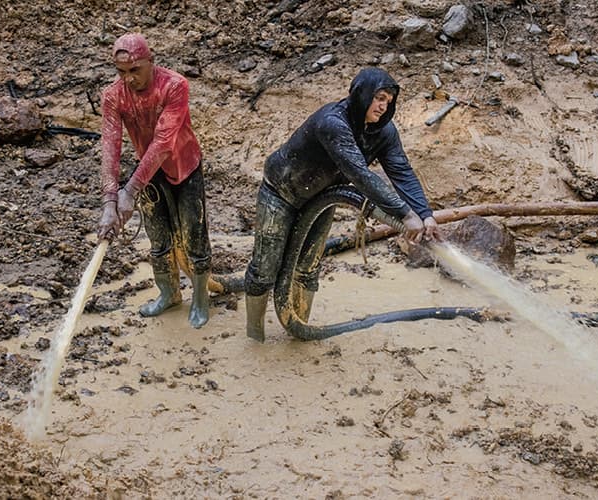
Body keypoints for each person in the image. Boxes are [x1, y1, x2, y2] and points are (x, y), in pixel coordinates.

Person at [244, 67, 441, 341]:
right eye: (379, 98)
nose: (384, 106)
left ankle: (299, 330)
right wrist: (404, 214)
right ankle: (254, 335)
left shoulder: (384, 132)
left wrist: (424, 213)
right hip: (281, 194)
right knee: (265, 267)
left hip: (322, 199)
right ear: (362, 95)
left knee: (309, 267)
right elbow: (358, 173)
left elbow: (402, 171)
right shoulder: (333, 123)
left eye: (389, 100)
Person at [96, 33, 213, 329]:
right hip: (148, 172)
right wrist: (110, 200)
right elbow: (110, 145)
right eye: (122, 72)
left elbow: (163, 142)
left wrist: (130, 190)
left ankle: (201, 298)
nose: (129, 79)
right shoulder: (113, 95)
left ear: (151, 62)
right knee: (158, 236)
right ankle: (169, 293)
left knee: (193, 233)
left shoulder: (174, 85)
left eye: (135, 70)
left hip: (184, 165)